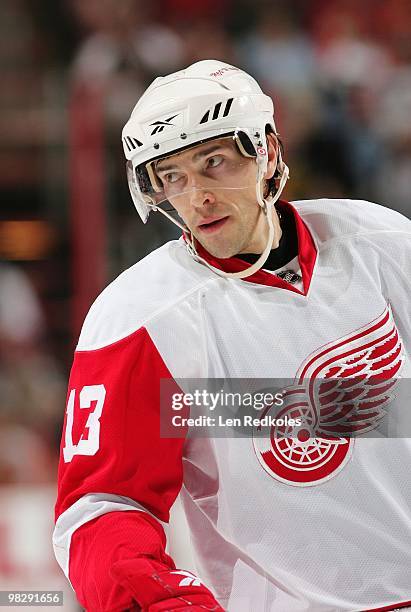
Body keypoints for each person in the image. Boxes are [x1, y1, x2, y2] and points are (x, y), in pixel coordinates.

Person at [53, 60, 411, 611]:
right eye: (171, 176)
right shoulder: (139, 317)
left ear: (267, 151)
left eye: (212, 162)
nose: (196, 196)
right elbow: (102, 510)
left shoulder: (381, 241)